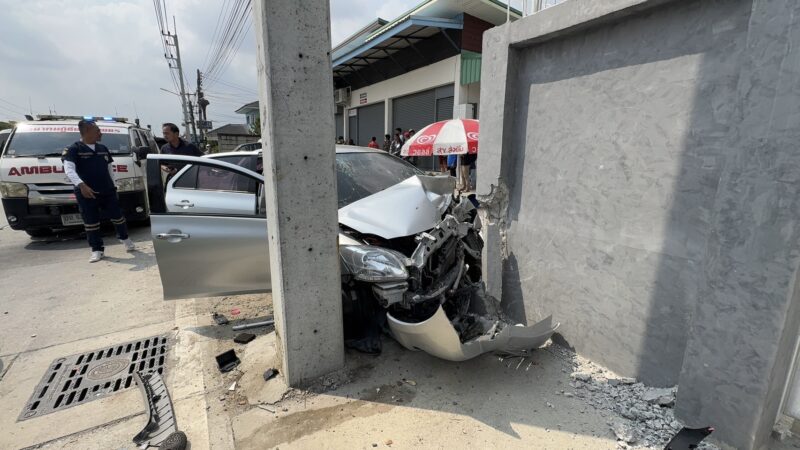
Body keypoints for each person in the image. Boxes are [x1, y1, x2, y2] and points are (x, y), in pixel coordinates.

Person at [62, 119, 135, 262]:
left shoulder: (102, 148)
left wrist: (113, 186)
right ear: (87, 131)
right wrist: (81, 185)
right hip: (86, 192)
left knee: (117, 216)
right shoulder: (74, 149)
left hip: (107, 189)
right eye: (98, 131)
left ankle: (125, 239)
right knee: (91, 221)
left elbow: (110, 169)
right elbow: (69, 170)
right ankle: (97, 249)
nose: (100, 133)